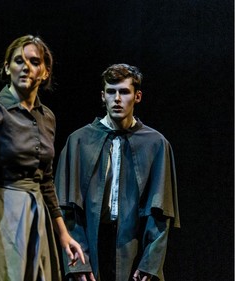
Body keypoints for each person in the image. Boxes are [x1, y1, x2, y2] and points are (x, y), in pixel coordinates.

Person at [0, 35, 84, 281]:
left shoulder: (47, 117)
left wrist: (63, 234)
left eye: (34, 61)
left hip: (34, 217)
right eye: (19, 61)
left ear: (44, 72)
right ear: (7, 67)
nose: (26, 67)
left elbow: (46, 180)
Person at [55, 64, 180, 281]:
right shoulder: (79, 141)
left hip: (133, 245)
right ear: (102, 96)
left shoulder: (156, 144)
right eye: (111, 92)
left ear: (137, 96)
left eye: (124, 92)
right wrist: (77, 264)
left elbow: (161, 215)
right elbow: (67, 210)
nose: (117, 99)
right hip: (90, 243)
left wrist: (150, 264)